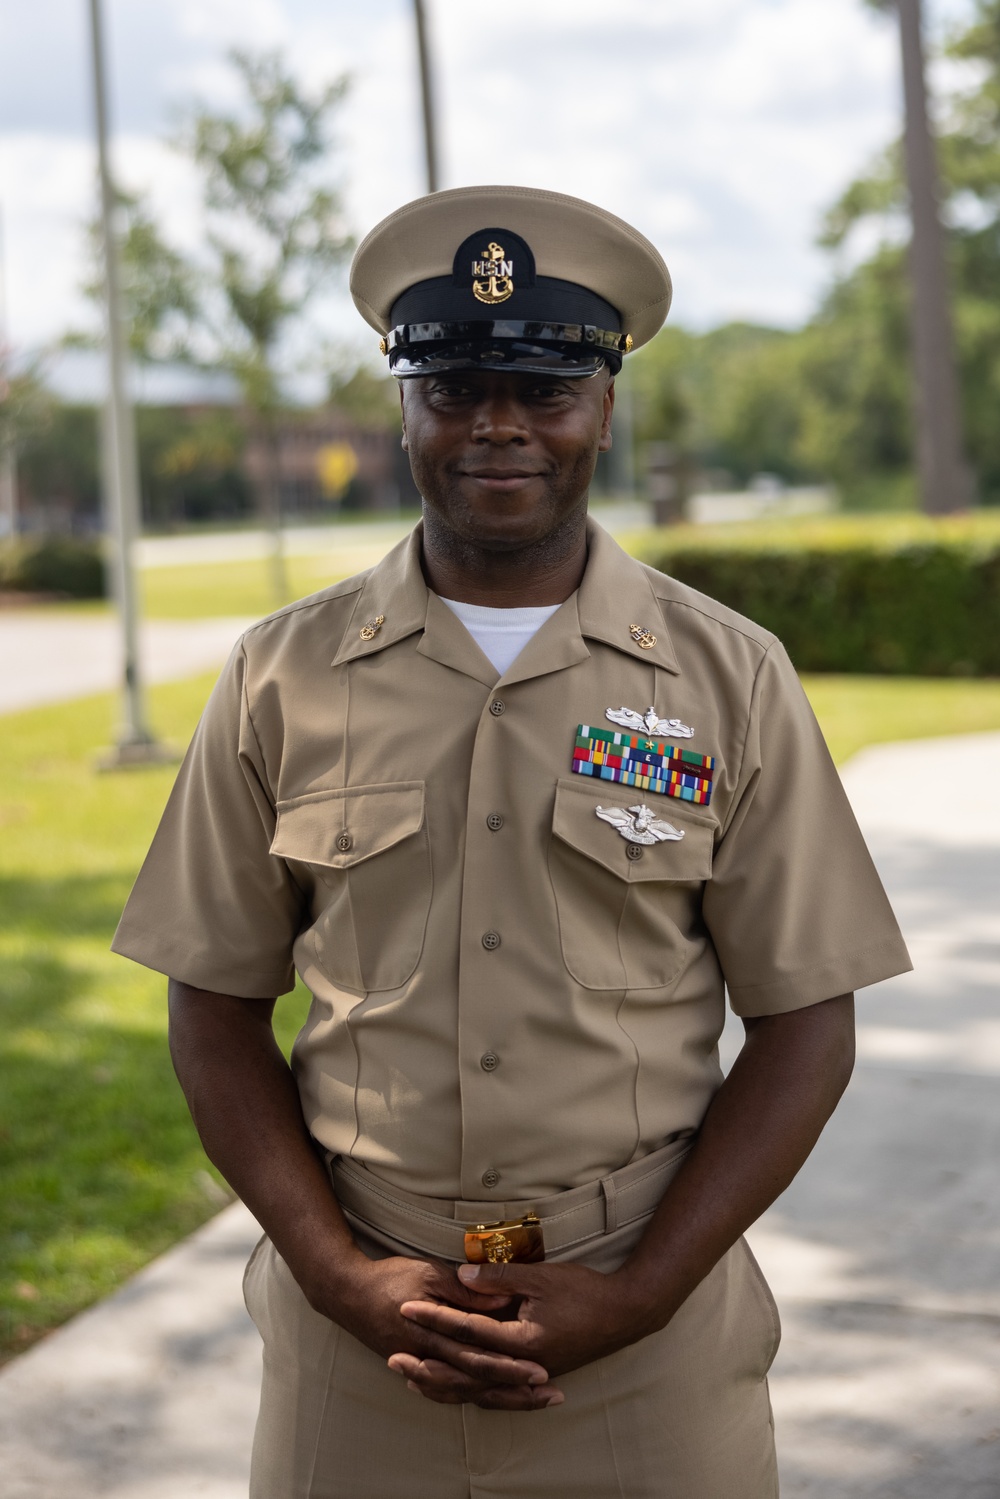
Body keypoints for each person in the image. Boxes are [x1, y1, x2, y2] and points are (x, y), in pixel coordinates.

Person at [113, 185, 912, 1499]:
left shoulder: (729, 679)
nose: (496, 426)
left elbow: (807, 1023)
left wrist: (646, 1293)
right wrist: (334, 1273)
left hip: (643, 1346)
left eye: (541, 390)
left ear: (604, 406)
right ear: (407, 407)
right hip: (356, 1343)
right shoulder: (283, 675)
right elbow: (209, 1006)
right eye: (456, 387)